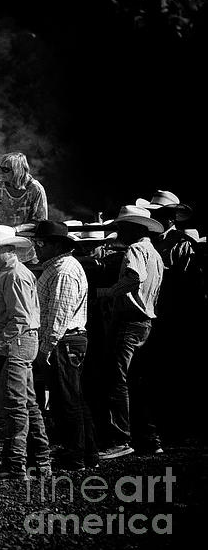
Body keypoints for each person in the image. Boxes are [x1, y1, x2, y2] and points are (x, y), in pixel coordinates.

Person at [0, 225, 49, 480]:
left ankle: (15, 465)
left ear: (7, 251)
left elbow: (20, 319)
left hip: (14, 344)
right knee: (27, 403)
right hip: (19, 343)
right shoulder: (10, 272)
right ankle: (41, 462)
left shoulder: (12, 276)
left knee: (15, 405)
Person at [95, 205, 164, 460]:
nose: (118, 231)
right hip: (145, 322)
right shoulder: (153, 252)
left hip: (129, 320)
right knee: (135, 381)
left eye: (121, 227)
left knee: (117, 380)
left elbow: (135, 277)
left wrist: (110, 292)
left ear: (132, 229)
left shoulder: (135, 250)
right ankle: (149, 438)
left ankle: (119, 439)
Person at [134, 190, 202, 441]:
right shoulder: (149, 242)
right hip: (152, 313)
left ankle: (176, 426)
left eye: (162, 215)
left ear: (173, 218)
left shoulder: (182, 244)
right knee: (152, 372)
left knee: (172, 370)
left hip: (173, 314)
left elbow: (189, 284)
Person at [29, 221, 96, 470]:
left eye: (41, 243)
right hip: (67, 340)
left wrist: (46, 347)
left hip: (64, 340)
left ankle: (76, 454)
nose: (37, 248)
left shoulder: (62, 271)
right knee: (70, 398)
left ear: (55, 245)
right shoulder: (59, 268)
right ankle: (85, 453)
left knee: (66, 400)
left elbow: (59, 314)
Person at [0, 153, 48, 233]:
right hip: (2, 234)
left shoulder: (36, 189)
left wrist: (15, 230)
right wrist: (0, 232)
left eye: (5, 170)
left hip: (28, 235)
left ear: (18, 171)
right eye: (0, 168)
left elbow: (40, 220)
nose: (0, 172)